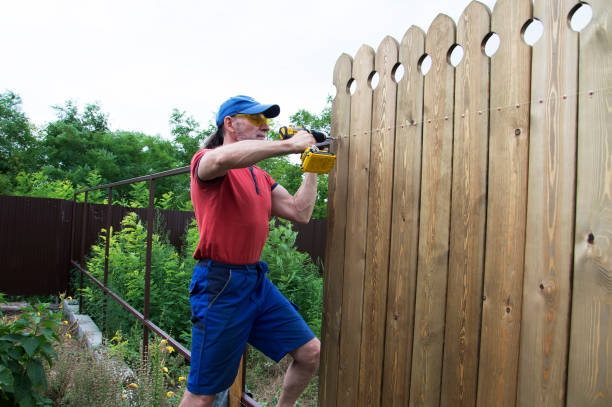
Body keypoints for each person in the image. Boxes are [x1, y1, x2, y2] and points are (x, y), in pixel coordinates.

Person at [179, 95, 321, 407]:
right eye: (256, 119)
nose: (265, 126)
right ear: (229, 123)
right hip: (220, 284)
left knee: (310, 352)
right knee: (203, 394)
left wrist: (312, 162)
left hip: (255, 281)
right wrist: (288, 146)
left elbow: (300, 212)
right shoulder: (206, 162)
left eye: (266, 120)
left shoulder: (259, 176)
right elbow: (220, 160)